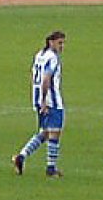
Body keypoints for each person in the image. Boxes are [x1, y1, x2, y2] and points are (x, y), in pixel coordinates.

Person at [11, 31, 66, 179]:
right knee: (54, 132)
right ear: (51, 42)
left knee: (44, 132)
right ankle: (51, 168)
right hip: (50, 100)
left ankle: (21, 157)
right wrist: (44, 101)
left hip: (37, 97)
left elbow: (33, 74)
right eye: (59, 43)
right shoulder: (53, 58)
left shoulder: (39, 55)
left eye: (63, 43)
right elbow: (46, 78)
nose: (62, 46)